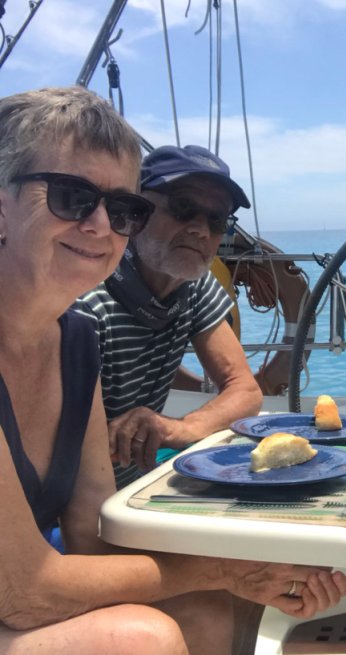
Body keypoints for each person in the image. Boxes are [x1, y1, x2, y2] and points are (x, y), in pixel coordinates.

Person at [0, 86, 346, 654]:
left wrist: (247, 569)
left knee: (211, 608)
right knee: (146, 639)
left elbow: (90, 535)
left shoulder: (72, 342)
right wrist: (225, 568)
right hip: (18, 586)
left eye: (121, 209)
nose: (100, 225)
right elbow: (23, 590)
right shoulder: (91, 315)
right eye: (70, 196)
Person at [75, 144, 262, 484]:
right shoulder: (85, 305)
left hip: (127, 490)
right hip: (67, 509)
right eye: (183, 208)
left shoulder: (193, 285)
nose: (201, 231)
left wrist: (177, 428)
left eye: (216, 220)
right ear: (137, 211)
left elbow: (245, 390)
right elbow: (56, 446)